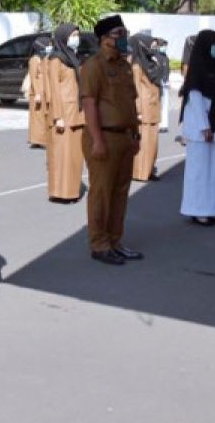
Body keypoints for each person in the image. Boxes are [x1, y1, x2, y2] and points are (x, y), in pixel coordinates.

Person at [81, 15, 142, 264]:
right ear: (105, 39)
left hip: (125, 137)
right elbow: (89, 104)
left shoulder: (125, 66)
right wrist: (97, 140)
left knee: (120, 193)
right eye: (119, 34)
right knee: (102, 193)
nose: (124, 38)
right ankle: (100, 244)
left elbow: (130, 103)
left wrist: (136, 133)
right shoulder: (93, 66)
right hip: (103, 136)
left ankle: (115, 240)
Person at [180, 30, 215, 225]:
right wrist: (204, 126)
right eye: (214, 44)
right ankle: (197, 209)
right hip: (203, 129)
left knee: (214, 172)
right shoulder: (197, 70)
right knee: (199, 171)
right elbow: (196, 98)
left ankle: (212, 209)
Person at [45, 23, 85, 203]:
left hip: (76, 113)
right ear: (63, 37)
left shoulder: (73, 58)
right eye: (72, 35)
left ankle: (72, 190)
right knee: (63, 156)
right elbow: (54, 89)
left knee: (75, 157)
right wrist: (58, 116)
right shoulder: (56, 60)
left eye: (77, 35)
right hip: (64, 115)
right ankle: (61, 192)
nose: (76, 39)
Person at [130, 32, 162, 182]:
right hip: (143, 109)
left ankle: (149, 170)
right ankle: (140, 172)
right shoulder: (136, 65)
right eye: (150, 46)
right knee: (144, 142)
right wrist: (138, 111)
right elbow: (134, 89)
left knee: (152, 142)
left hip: (154, 107)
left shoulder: (151, 62)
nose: (152, 49)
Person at [25, 36, 52, 148]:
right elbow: (34, 77)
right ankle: (39, 139)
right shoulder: (34, 60)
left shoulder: (45, 58)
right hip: (37, 92)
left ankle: (39, 139)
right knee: (38, 117)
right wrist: (37, 93)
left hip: (44, 91)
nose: (50, 47)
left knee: (43, 115)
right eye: (48, 44)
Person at [154, 37, 171, 133]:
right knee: (158, 105)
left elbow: (167, 70)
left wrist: (167, 80)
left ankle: (164, 125)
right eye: (163, 45)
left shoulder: (166, 57)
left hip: (165, 84)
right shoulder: (155, 57)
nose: (164, 47)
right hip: (158, 83)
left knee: (165, 105)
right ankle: (158, 124)